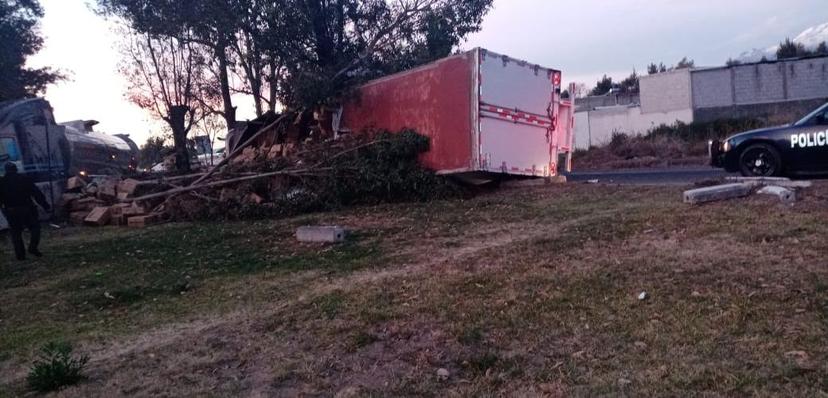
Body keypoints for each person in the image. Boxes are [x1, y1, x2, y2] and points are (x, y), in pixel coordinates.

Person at [0, 162, 51, 260]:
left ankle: (20, 255)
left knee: (16, 233)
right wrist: (45, 206)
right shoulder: (24, 179)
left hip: (11, 210)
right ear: (16, 169)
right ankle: (32, 247)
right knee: (35, 228)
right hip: (26, 208)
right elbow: (36, 193)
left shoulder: (2, 182)